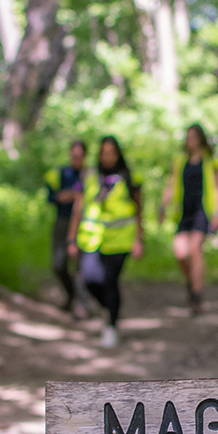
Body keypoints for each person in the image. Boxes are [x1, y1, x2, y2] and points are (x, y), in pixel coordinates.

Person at [75, 136, 145, 348]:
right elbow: (79, 207)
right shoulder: (90, 176)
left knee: (110, 281)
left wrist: (139, 239)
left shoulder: (129, 177)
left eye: (111, 152)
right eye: (103, 152)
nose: (107, 157)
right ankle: (111, 308)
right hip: (93, 239)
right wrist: (72, 237)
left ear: (117, 154)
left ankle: (111, 326)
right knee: (89, 278)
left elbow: (138, 209)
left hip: (121, 240)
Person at [158, 123, 218, 315]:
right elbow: (171, 184)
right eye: (187, 137)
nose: (189, 141)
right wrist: (163, 205)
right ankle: (192, 281)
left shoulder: (210, 161)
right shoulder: (179, 160)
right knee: (180, 253)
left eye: (193, 137)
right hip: (184, 211)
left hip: (202, 210)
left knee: (195, 249)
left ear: (201, 139)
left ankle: (196, 294)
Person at [44, 139, 86, 317]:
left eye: (79, 155)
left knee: (80, 266)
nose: (76, 158)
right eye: (73, 154)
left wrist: (73, 196)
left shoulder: (89, 175)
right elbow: (52, 196)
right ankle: (71, 296)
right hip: (63, 220)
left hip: (83, 225)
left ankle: (82, 304)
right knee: (59, 264)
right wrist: (66, 196)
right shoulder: (60, 173)